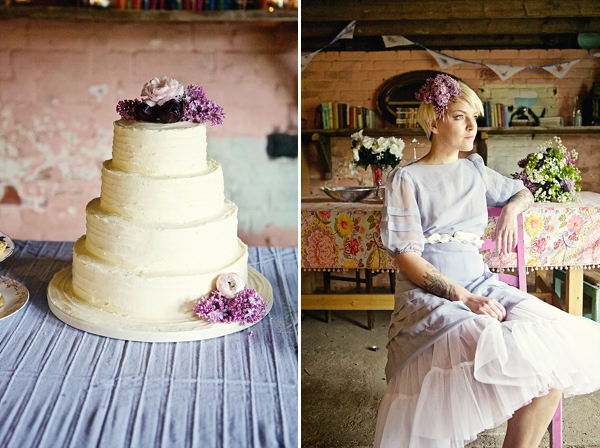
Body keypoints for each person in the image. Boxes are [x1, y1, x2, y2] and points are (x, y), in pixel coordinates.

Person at [374, 74, 600, 448]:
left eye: (474, 117)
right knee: (489, 342)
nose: (472, 126)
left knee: (554, 351)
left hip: (483, 283)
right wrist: (464, 298)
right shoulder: (406, 179)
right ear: (433, 123)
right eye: (461, 116)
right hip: (431, 297)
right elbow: (407, 256)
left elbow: (522, 191)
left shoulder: (475, 170)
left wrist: (512, 209)